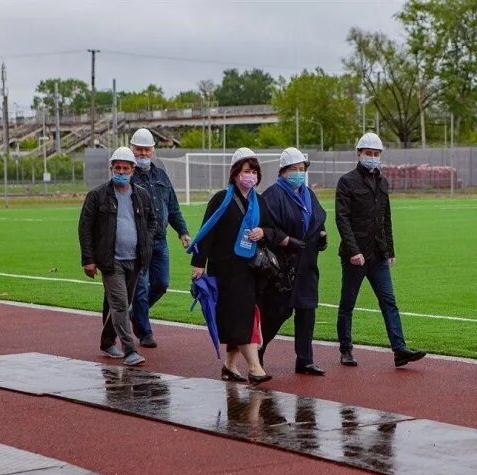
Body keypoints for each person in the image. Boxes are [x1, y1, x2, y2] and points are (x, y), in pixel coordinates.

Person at [189, 148, 285, 384]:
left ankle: (230, 366)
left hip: (251, 269)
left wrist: (263, 232)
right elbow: (207, 232)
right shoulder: (221, 199)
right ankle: (255, 367)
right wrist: (199, 264)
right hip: (226, 269)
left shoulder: (260, 202)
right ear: (235, 174)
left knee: (242, 316)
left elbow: (273, 231)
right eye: (246, 171)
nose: (250, 176)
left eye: (254, 171)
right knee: (241, 316)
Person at [335, 132, 426, 368]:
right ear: (359, 154)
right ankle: (346, 349)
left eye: (376, 154)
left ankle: (399, 349)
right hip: (355, 256)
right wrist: (354, 251)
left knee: (389, 302)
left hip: (378, 254)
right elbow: (342, 219)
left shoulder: (383, 183)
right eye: (369, 154)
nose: (373, 158)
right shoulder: (347, 182)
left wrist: (391, 250)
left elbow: (386, 219)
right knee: (348, 304)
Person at [78, 147, 156, 367]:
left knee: (121, 303)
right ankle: (129, 349)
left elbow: (152, 221)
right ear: (111, 169)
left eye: (125, 168)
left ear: (132, 171)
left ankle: (106, 342)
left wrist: (147, 241)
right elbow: (85, 228)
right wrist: (88, 259)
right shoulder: (97, 195)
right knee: (121, 304)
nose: (121, 171)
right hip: (110, 261)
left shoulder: (141, 195)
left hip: (136, 259)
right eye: (117, 168)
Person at [258, 147, 328, 376]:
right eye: (294, 169)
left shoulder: (308, 194)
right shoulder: (272, 195)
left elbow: (317, 219)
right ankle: (257, 350)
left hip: (307, 263)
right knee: (277, 312)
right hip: (283, 266)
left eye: (301, 169)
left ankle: (305, 359)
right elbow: (266, 228)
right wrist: (286, 242)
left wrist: (322, 237)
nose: (299, 173)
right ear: (283, 171)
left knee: (307, 310)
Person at [128, 128, 191, 349]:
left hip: (160, 240)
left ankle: (135, 314)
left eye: (146, 149)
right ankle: (145, 332)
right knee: (141, 287)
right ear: (132, 149)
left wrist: (182, 232)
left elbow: (172, 207)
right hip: (138, 241)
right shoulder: (128, 175)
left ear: (153, 151)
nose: (143, 153)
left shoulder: (161, 176)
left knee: (162, 284)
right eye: (139, 149)